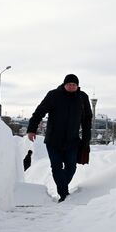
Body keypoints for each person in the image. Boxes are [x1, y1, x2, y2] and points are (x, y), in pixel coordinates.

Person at [27, 74, 92, 202]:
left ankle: (63, 190)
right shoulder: (53, 95)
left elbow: (87, 120)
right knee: (56, 167)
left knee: (71, 167)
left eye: (74, 84)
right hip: (53, 140)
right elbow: (39, 111)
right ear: (64, 84)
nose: (72, 86)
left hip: (72, 141)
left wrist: (86, 140)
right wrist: (31, 129)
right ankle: (64, 194)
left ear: (78, 86)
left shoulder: (83, 97)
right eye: (69, 84)